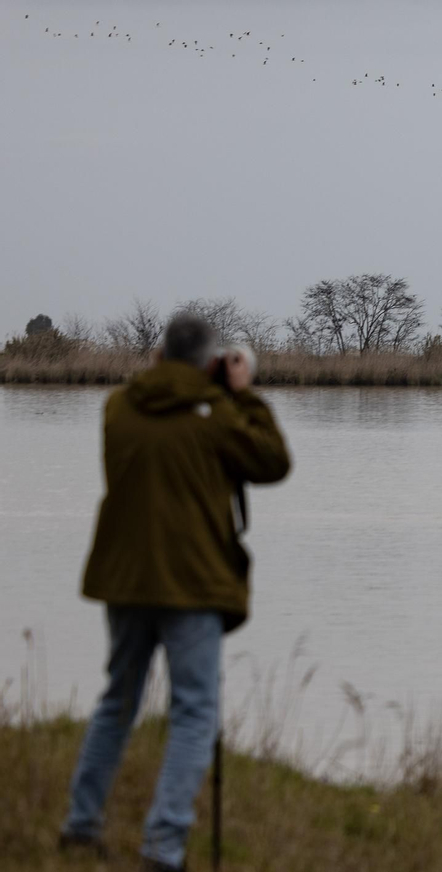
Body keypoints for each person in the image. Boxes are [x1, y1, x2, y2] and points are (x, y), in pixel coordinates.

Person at [58, 313, 291, 872]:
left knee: (118, 700)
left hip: (125, 580)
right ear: (211, 362)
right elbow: (272, 461)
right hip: (192, 584)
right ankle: (163, 849)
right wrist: (242, 393)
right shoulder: (217, 418)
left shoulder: (118, 407)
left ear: (159, 355)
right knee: (194, 713)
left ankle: (81, 826)